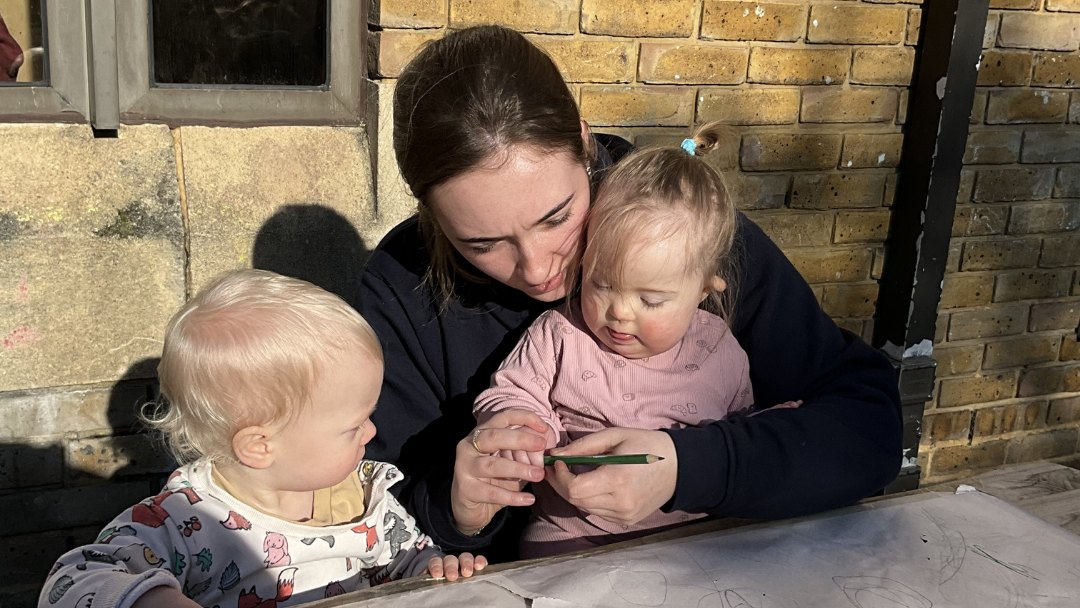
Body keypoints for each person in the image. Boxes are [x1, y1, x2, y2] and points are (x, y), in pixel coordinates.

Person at [355, 25, 902, 561]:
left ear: (585, 144)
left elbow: (866, 432)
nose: (539, 268)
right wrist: (454, 506)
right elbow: (369, 508)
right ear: (431, 216)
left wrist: (691, 467)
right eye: (482, 244)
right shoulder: (403, 286)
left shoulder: (683, 234)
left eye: (557, 217)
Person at [40, 270, 485, 608]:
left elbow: (407, 554)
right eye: (354, 425)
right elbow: (73, 578)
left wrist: (433, 568)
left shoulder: (363, 494)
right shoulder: (184, 522)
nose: (372, 432)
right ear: (259, 445)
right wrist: (150, 599)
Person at [474, 125, 802, 557]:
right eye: (602, 285)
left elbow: (736, 433)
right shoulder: (560, 333)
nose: (621, 312)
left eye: (651, 299)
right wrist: (521, 429)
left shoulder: (718, 350)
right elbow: (513, 392)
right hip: (570, 536)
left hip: (686, 538)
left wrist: (772, 424)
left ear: (704, 290)